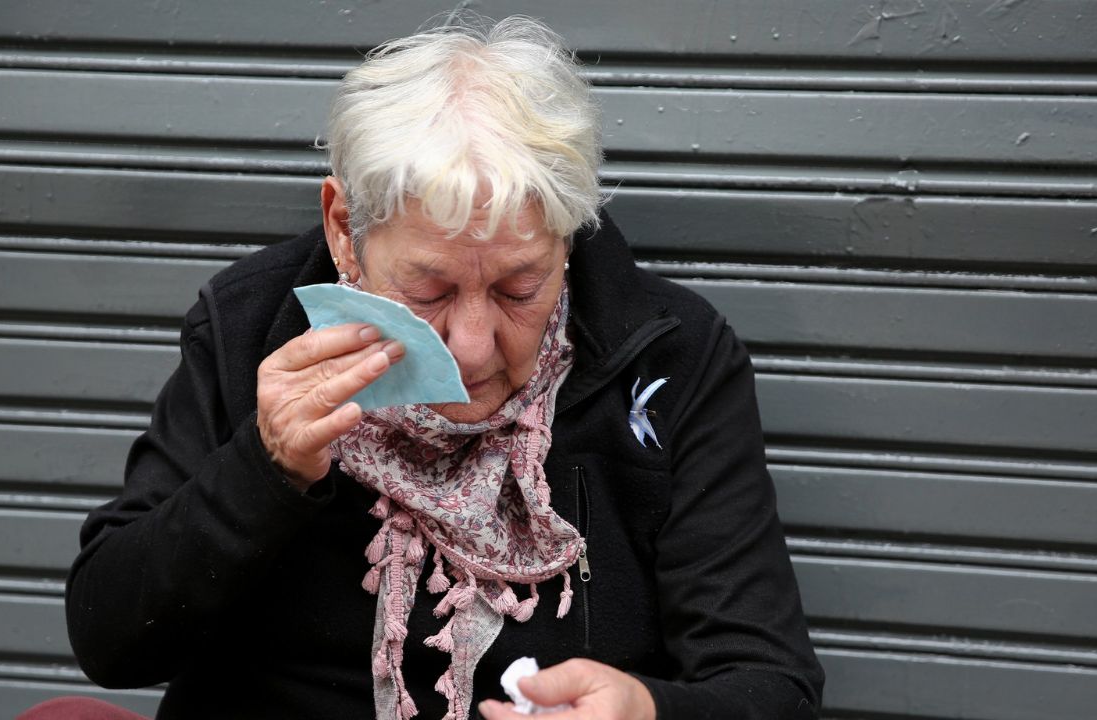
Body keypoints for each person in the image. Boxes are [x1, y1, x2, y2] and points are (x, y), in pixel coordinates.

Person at [55, 15, 823, 720]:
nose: (473, 346)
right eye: (428, 293)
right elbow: (110, 640)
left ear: (566, 240)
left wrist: (647, 713)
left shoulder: (668, 360)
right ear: (345, 230)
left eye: (520, 288)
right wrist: (265, 467)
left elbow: (771, 685)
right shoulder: (254, 329)